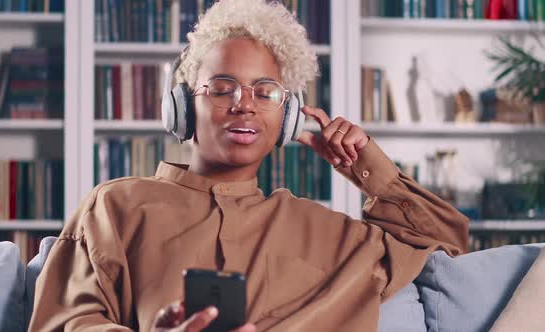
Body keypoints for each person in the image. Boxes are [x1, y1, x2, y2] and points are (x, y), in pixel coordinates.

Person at [29, 1, 468, 331]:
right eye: (222, 88)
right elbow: (64, 322)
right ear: (182, 107)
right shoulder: (115, 207)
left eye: (265, 92)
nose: (244, 106)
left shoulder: (329, 234)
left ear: (288, 116)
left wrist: (363, 162)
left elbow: (448, 246)